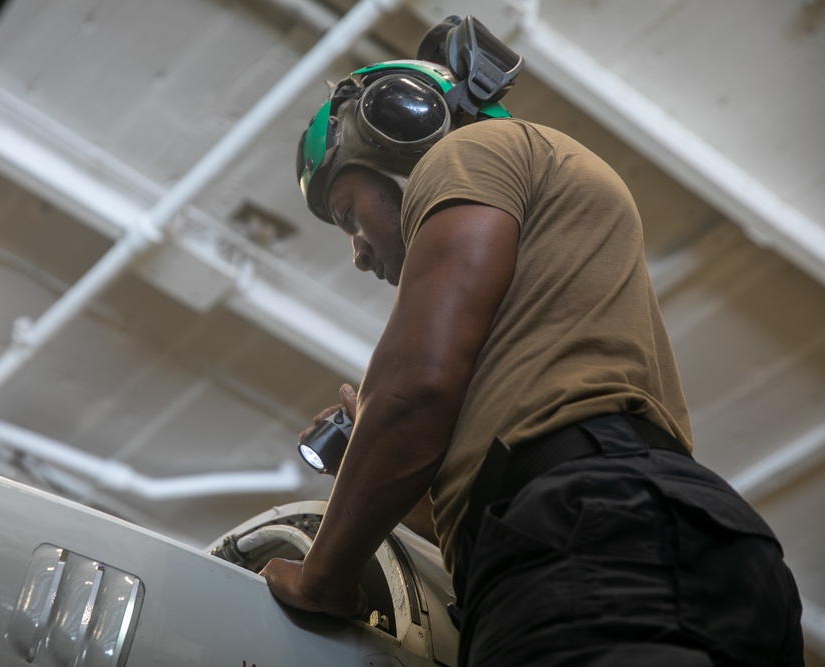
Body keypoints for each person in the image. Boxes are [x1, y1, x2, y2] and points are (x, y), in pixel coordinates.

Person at [261, 16, 804, 666]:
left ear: (402, 135)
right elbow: (490, 496)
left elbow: (417, 384)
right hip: (681, 547)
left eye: (349, 215)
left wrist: (323, 577)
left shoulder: (467, 154)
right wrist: (383, 469)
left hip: (594, 535)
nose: (356, 252)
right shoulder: (533, 322)